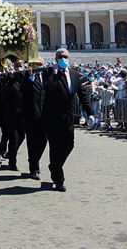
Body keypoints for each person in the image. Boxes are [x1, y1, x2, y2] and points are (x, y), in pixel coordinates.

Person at [43, 48, 95, 191]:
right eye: (60, 57)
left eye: (65, 56)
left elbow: (82, 95)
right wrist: (54, 74)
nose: (63, 59)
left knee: (69, 145)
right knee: (55, 147)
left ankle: (55, 166)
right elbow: (48, 90)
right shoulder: (48, 73)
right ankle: (59, 179)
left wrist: (90, 113)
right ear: (55, 58)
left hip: (68, 117)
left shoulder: (74, 74)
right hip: (53, 118)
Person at [21, 60, 47, 180]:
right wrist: (30, 77)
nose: (39, 66)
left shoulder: (47, 76)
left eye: (40, 64)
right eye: (36, 64)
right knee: (32, 142)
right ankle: (34, 168)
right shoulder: (27, 77)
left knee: (43, 141)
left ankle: (33, 159)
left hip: (45, 116)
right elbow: (23, 92)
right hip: (31, 116)